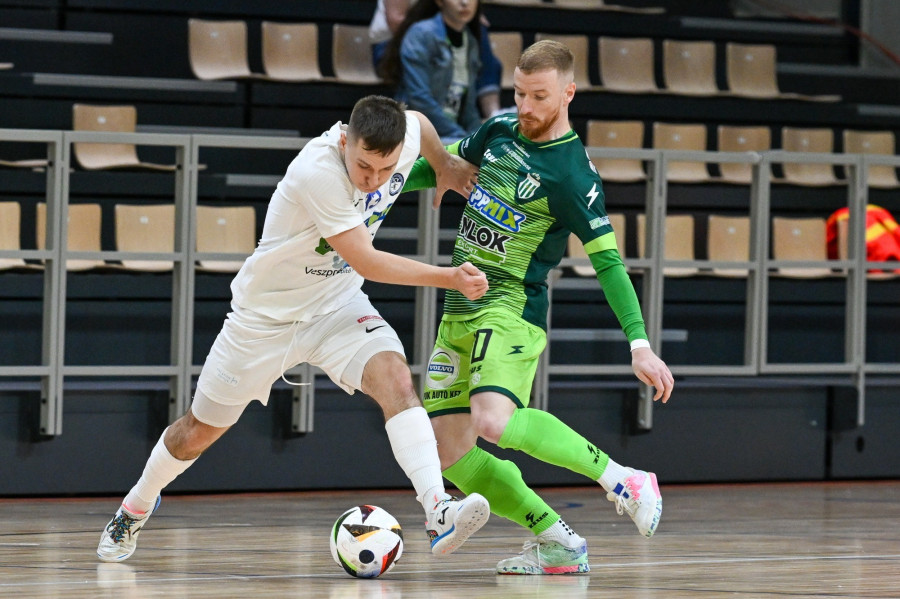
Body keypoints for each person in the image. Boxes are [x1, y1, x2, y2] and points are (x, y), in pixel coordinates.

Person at [97, 95, 491, 563]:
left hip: (336, 304)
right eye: (364, 167)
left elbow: (421, 123)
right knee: (198, 431)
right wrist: (448, 276)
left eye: (385, 171)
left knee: (398, 379)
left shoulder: (401, 138)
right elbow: (366, 259)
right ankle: (136, 505)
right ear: (345, 139)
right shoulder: (317, 171)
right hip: (264, 319)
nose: (374, 181)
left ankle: (437, 509)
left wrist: (443, 163)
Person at [402, 40, 675, 575]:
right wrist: (374, 187)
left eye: (539, 96)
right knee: (449, 452)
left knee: (492, 421)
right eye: (519, 93)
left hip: (510, 308)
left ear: (568, 93)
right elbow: (445, 166)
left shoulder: (573, 175)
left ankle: (622, 478)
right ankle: (558, 542)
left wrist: (639, 344)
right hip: (458, 307)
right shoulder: (501, 130)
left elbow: (610, 264)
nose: (525, 106)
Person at [379, 0, 502, 141]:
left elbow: (469, 108)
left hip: (452, 135)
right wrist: (462, 137)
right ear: (439, 2)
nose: (464, 2)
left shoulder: (471, 41)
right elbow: (420, 100)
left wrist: (477, 138)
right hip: (418, 133)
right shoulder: (421, 34)